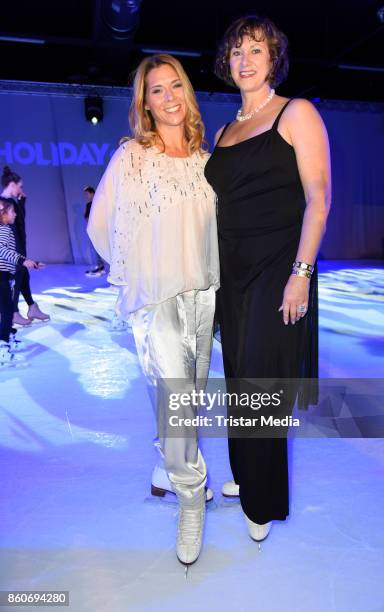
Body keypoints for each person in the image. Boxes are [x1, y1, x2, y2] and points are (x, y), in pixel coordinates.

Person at [87, 54, 220, 565]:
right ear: (144, 103)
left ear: (187, 92)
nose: (168, 97)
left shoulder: (207, 163)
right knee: (178, 403)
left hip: (202, 298)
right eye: (156, 90)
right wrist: (139, 275)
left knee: (188, 402)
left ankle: (171, 463)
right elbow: (101, 227)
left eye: (175, 86)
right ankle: (191, 499)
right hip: (157, 300)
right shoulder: (133, 159)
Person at [205, 15, 331, 541]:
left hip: (278, 270)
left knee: (260, 382)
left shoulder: (295, 112)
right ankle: (246, 472)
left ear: (272, 58)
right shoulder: (224, 130)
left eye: (255, 50)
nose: (245, 60)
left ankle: (264, 498)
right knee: (239, 380)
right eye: (236, 52)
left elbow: (319, 201)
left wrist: (300, 274)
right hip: (229, 273)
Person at [1, 166, 50, 325]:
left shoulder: (7, 202)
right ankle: (14, 311)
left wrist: (21, 202)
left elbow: (19, 224)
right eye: (20, 186)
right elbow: (16, 226)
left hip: (16, 245)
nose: (21, 189)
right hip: (13, 247)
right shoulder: (6, 204)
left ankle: (31, 307)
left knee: (24, 276)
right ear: (13, 185)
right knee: (18, 276)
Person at [0, 198, 43, 367]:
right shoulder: (3, 230)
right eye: (12, 211)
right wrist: (21, 261)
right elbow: (2, 250)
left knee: (7, 311)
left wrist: (32, 262)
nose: (15, 214)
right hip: (1, 275)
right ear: (3, 214)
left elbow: (10, 252)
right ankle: (3, 350)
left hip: (4, 275)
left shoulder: (5, 229)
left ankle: (8, 338)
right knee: (7, 312)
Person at [83, 186, 107, 276]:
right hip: (93, 229)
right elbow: (86, 217)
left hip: (99, 229)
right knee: (95, 248)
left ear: (92, 193)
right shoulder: (89, 204)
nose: (86, 196)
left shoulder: (98, 203)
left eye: (87, 194)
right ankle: (100, 266)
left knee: (101, 248)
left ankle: (104, 267)